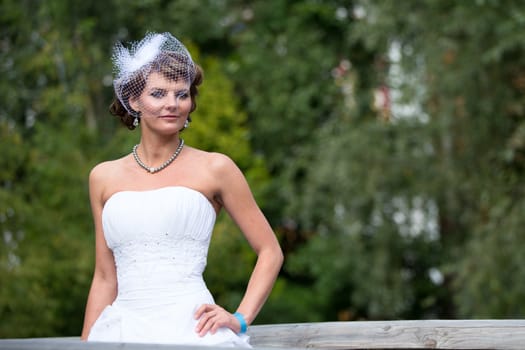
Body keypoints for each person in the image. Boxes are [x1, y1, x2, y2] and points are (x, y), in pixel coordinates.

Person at [80, 32, 283, 347]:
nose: (172, 104)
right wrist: (84, 344)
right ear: (134, 100)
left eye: (182, 94)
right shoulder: (103, 177)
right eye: (158, 94)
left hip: (195, 333)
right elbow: (105, 278)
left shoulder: (216, 168)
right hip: (122, 333)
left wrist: (240, 318)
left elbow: (271, 251)